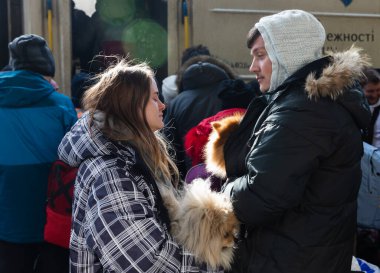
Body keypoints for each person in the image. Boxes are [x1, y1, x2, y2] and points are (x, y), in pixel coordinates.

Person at [220, 10, 371, 273]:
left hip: (290, 259)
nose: (253, 67)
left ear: (286, 55)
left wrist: (223, 191)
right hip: (306, 254)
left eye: (260, 56)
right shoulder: (309, 104)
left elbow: (261, 196)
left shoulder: (302, 112)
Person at [57, 59, 222, 273]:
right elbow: (145, 261)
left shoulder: (129, 156)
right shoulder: (111, 174)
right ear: (131, 105)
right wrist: (215, 265)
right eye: (154, 99)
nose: (163, 105)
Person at [0, 34, 77, 273]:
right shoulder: (62, 106)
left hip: (5, 219)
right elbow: (73, 159)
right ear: (48, 68)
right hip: (50, 219)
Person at [361, 68, 380, 147]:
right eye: (370, 91)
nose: (375, 95)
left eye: (378, 90)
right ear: (361, 89)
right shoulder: (354, 108)